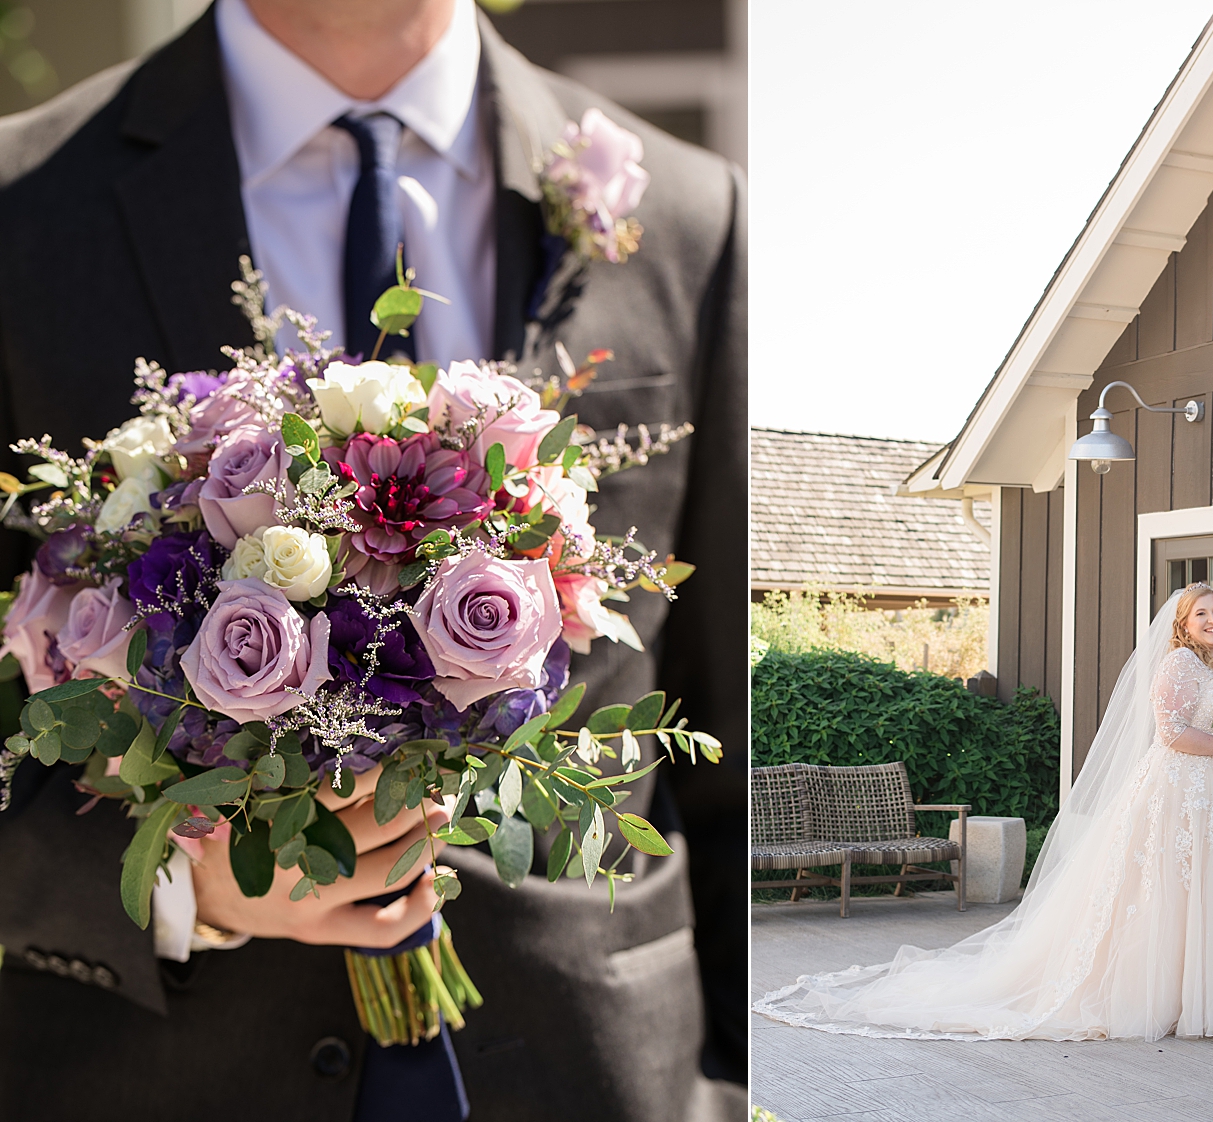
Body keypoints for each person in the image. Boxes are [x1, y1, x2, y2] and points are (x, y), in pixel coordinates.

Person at [0, 0, 746, 1118]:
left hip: (596, 1071)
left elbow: (729, 713)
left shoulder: (693, 212)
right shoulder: (24, 204)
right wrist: (177, 876)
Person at [755, 584, 1213, 1041]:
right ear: (1182, 624)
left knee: (1207, 893)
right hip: (1180, 792)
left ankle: (1208, 996)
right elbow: (1170, 733)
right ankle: (1161, 997)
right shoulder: (1177, 663)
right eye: (1203, 613)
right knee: (1165, 893)